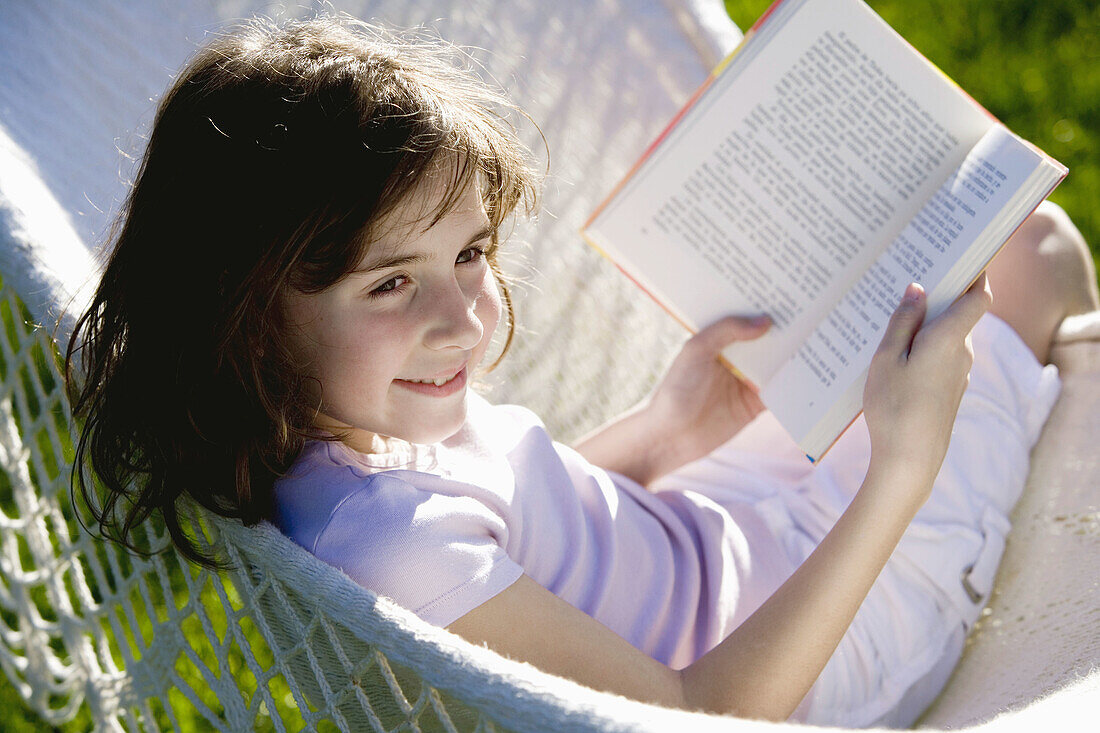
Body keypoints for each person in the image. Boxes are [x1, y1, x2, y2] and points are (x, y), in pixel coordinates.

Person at [65, 15, 1100, 728]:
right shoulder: (393, 543)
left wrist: (662, 434)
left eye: (470, 254)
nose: (464, 315)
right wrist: (900, 471)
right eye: (390, 285)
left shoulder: (343, 433)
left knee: (943, 264)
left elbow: (525, 530)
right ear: (249, 318)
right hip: (819, 652)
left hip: (719, 531)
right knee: (1036, 249)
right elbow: (699, 718)